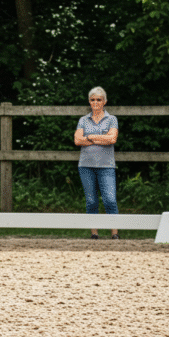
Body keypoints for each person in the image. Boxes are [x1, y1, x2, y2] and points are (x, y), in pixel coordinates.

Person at [74, 87, 119, 239]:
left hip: (106, 166)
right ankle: (94, 234)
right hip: (86, 166)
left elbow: (112, 139)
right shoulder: (83, 120)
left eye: (99, 99)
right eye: (92, 100)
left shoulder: (112, 119)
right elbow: (77, 140)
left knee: (110, 200)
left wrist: (90, 137)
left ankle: (115, 234)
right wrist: (101, 138)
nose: (95, 102)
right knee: (91, 201)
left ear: (104, 102)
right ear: (89, 101)